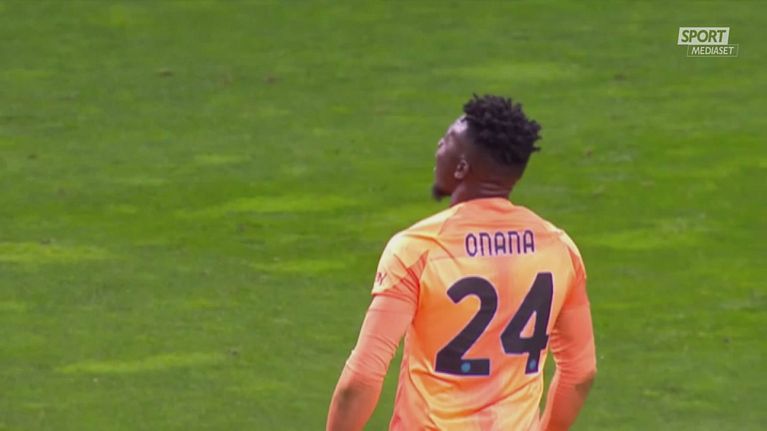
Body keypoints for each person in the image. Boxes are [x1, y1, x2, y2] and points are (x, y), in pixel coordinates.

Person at [326, 94, 597, 431]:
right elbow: (580, 372)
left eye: (446, 141)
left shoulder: (419, 249)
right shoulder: (559, 248)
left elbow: (363, 378)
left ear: (461, 168)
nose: (439, 147)